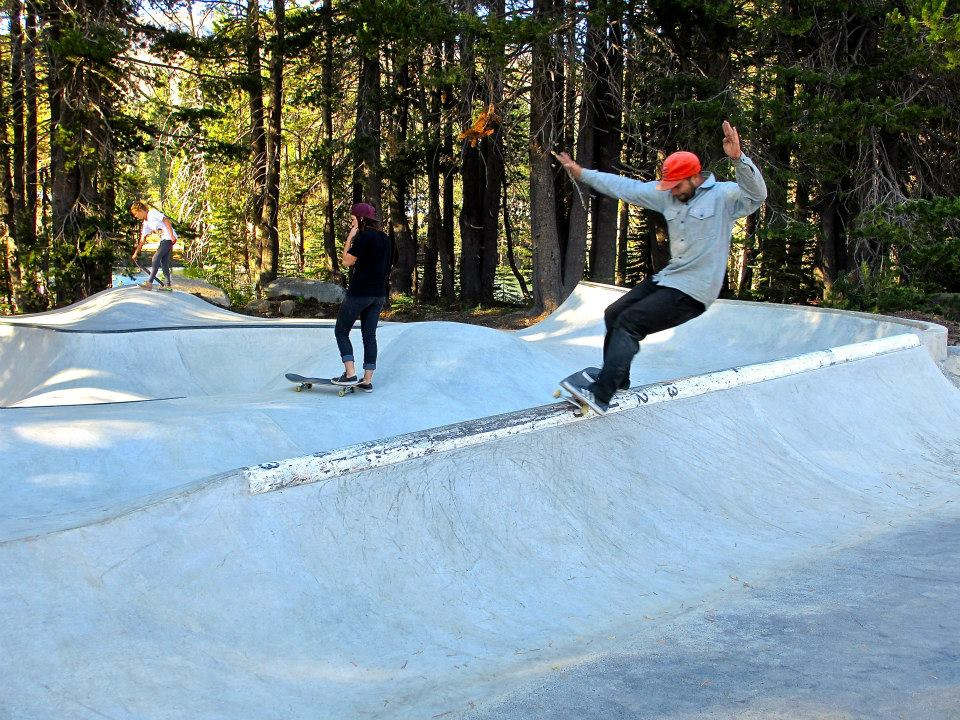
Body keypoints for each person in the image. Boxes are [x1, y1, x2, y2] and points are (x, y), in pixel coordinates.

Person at [556, 120, 767, 414]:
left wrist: (738, 159)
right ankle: (619, 378)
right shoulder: (668, 194)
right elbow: (626, 188)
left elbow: (756, 196)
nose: (673, 192)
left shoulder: (724, 196)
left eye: (678, 185)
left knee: (630, 323)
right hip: (671, 277)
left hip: (694, 290)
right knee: (613, 313)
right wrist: (582, 173)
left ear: (695, 177)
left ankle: (601, 395)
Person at [330, 202, 392, 393]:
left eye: (353, 219)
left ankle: (349, 374)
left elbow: (347, 261)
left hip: (360, 292)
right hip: (378, 294)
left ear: (361, 219)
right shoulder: (386, 238)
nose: (351, 223)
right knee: (369, 335)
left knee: (341, 331)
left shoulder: (364, 237)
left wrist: (351, 236)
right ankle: (367, 380)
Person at [131, 201, 178, 290]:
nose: (136, 216)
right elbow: (142, 239)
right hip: (164, 239)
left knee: (155, 258)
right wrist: (136, 253)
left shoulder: (152, 213)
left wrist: (171, 235)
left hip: (169, 238)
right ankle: (168, 286)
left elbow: (166, 220)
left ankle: (149, 283)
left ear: (140, 210)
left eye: (136, 214)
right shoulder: (146, 223)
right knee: (164, 262)